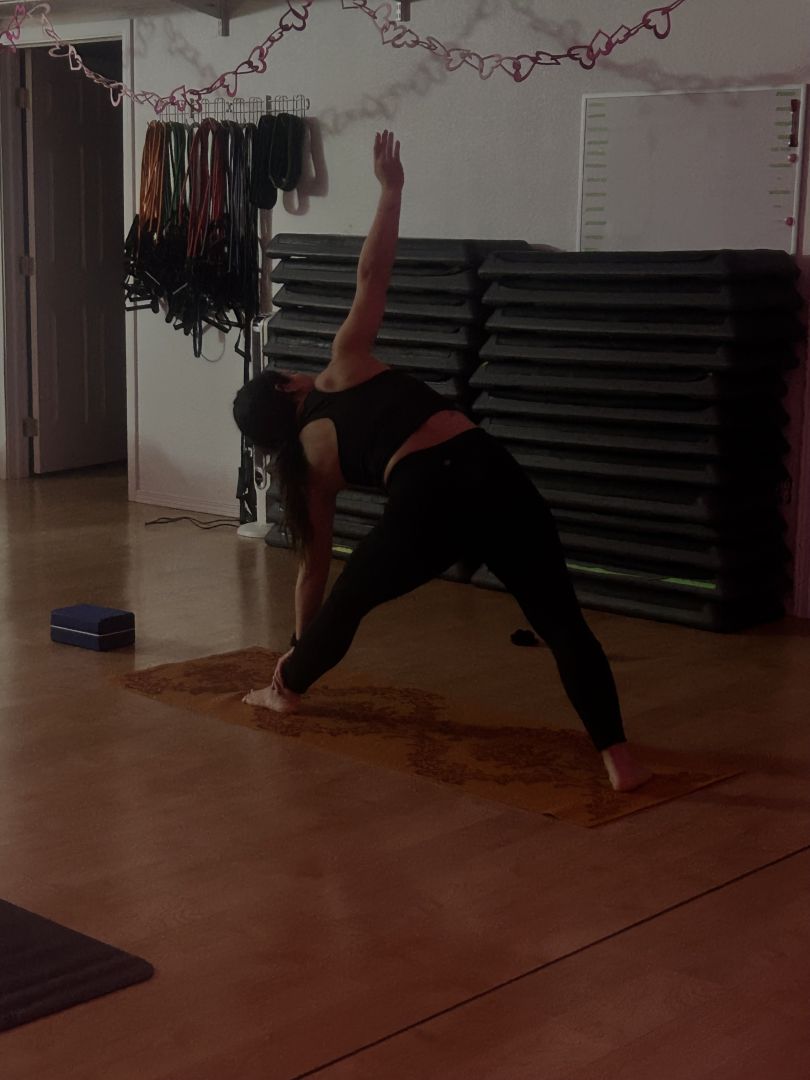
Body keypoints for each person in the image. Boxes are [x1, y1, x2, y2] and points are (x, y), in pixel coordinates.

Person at [233, 130, 652, 793]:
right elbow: (372, 275)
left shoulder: (308, 469)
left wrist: (298, 650)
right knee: (562, 624)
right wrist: (391, 190)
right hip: (490, 467)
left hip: (431, 496)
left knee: (352, 597)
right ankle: (617, 757)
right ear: (286, 387)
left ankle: (284, 689)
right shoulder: (341, 367)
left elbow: (314, 574)